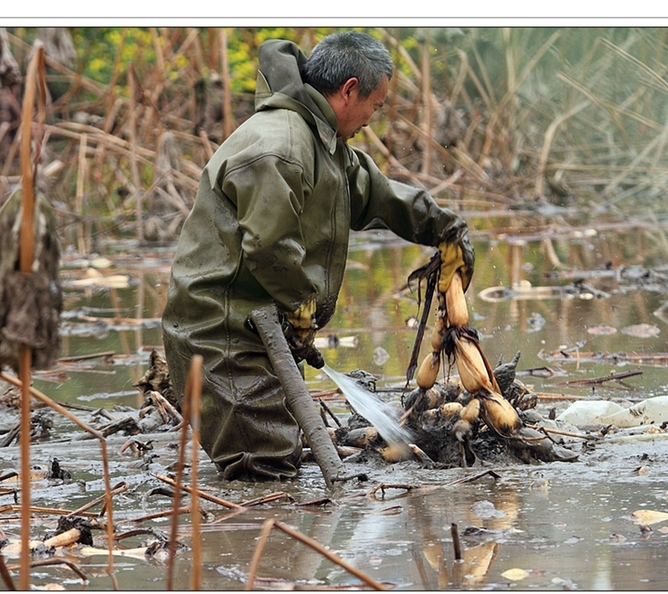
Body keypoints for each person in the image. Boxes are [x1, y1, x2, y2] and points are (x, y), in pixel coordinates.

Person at [161, 31, 475, 481]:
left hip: (259, 333)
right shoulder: (282, 148)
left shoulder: (322, 141)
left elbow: (377, 194)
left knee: (281, 457)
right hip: (221, 335)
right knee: (264, 468)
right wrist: (303, 308)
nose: (374, 116)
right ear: (349, 90)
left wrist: (444, 228)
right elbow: (269, 248)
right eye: (376, 104)